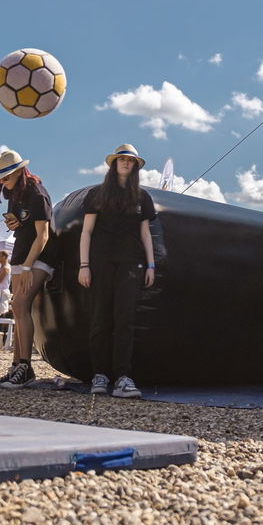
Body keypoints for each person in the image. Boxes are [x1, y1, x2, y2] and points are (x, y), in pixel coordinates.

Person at [78, 144, 156, 399]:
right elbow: (86, 231)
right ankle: (99, 375)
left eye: (130, 161)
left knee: (125, 320)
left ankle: (123, 377)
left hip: (131, 264)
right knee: (101, 318)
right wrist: (84, 265)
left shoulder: (142, 197)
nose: (125, 163)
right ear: (114, 164)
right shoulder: (97, 194)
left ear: (135, 166)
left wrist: (151, 264)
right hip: (100, 264)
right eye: (121, 159)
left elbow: (146, 233)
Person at [0, 149, 54, 389]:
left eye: (5, 177)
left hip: (36, 258)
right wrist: (15, 222)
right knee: (18, 308)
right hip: (21, 256)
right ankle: (16, 366)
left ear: (17, 172)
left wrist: (26, 267)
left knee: (20, 305)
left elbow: (43, 236)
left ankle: (25, 367)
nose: (2, 183)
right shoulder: (15, 192)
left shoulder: (37, 192)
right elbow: (26, 225)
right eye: (0, 179)